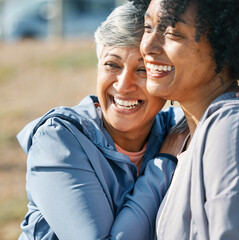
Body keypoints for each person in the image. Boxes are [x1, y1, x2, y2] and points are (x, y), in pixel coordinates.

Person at [17, 3, 186, 239]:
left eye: (143, 70)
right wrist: (163, 164)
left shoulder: (178, 128)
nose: (123, 86)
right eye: (112, 65)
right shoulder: (58, 140)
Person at [136, 0, 239, 238]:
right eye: (148, 27)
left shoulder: (232, 130)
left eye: (173, 33)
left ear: (225, 44)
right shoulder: (182, 131)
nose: (148, 45)